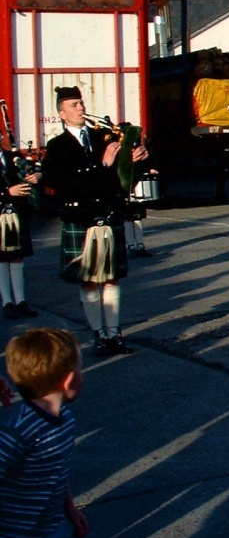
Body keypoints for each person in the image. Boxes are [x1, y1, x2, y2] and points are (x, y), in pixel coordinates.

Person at [42, 86, 147, 355]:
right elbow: (66, 184)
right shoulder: (57, 146)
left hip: (108, 213)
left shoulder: (103, 137)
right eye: (74, 105)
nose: (81, 108)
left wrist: (137, 160)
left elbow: (124, 178)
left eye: (81, 103)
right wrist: (102, 165)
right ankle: (98, 334)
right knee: (89, 280)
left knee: (111, 278)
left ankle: (114, 334)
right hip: (81, 217)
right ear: (62, 113)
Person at [0, 328, 89, 538]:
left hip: (51, 530)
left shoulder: (65, 420)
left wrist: (70, 507)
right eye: (80, 369)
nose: (83, 375)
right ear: (68, 380)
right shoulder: (18, 432)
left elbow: (57, 469)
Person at [0, 141, 40, 320]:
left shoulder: (12, 157)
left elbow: (30, 172)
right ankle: (7, 302)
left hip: (17, 212)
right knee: (1, 257)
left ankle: (21, 301)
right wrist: (6, 193)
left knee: (17, 256)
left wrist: (37, 174)